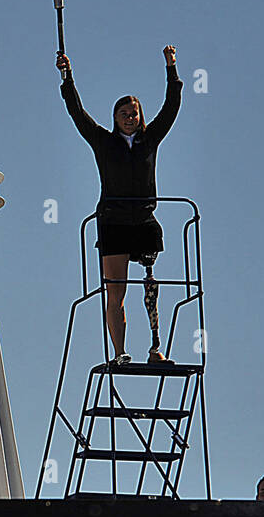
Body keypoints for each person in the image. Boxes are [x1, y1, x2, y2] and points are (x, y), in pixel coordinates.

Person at [56, 45, 182, 365]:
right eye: (124, 114)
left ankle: (156, 347)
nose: (129, 118)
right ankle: (120, 352)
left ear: (140, 117)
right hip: (113, 221)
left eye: (134, 114)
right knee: (116, 291)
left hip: (143, 218)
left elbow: (171, 106)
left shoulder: (149, 139)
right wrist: (67, 77)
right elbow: (77, 113)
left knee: (151, 281)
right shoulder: (103, 141)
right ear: (115, 118)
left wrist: (172, 68)